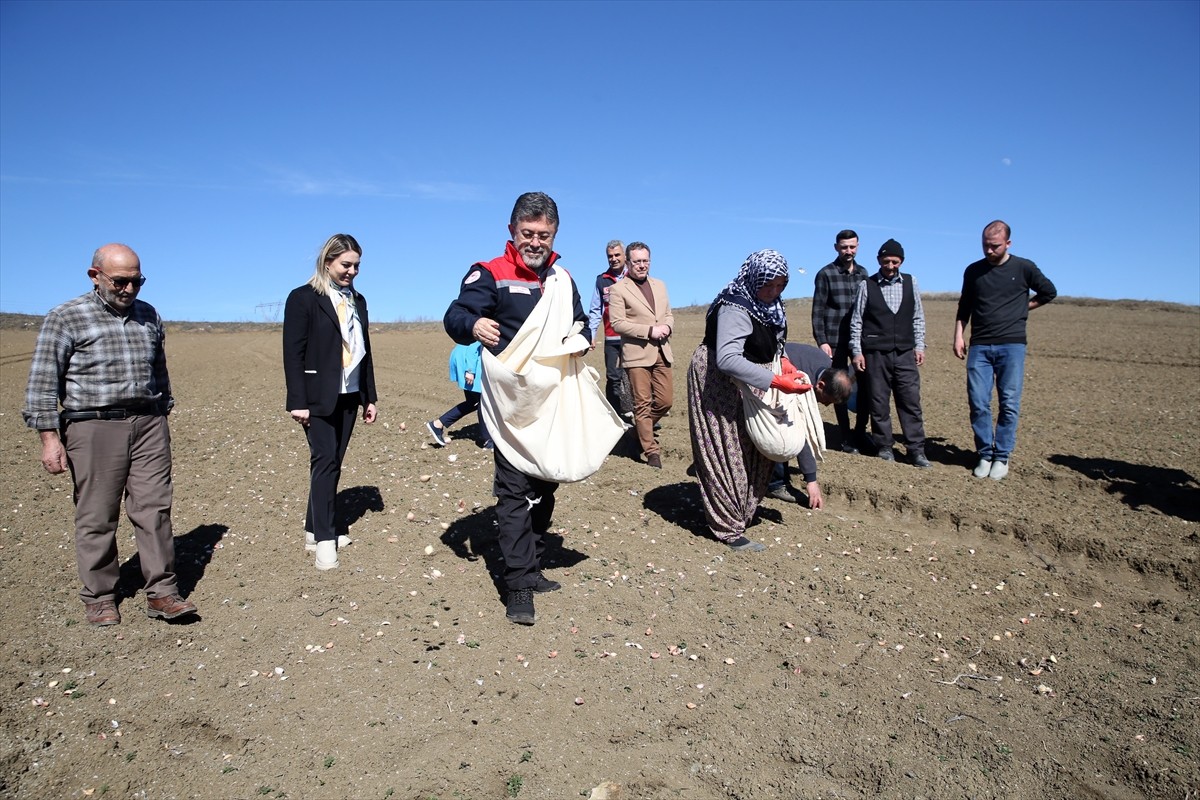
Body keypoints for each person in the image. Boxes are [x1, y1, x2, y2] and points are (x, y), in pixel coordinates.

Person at [23, 243, 198, 626]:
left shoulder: (148, 314)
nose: (130, 289)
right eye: (121, 281)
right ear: (95, 276)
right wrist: (49, 438)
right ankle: (100, 597)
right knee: (97, 515)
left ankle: (163, 593)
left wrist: (163, 410)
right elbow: (42, 382)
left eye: (137, 281)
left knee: (154, 509)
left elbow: (160, 370)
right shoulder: (66, 317)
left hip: (149, 424)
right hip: (92, 426)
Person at [444, 192, 588, 625]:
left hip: (552, 403)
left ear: (555, 235)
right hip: (509, 406)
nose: (536, 241)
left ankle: (533, 560)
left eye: (544, 234)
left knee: (546, 486)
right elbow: (455, 315)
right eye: (528, 233)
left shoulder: (562, 279)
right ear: (512, 231)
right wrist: (473, 324)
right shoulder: (489, 273)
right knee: (512, 493)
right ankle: (519, 584)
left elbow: (579, 320)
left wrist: (583, 336)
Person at [687, 249, 811, 553]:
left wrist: (786, 364)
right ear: (754, 278)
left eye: (781, 285)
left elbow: (775, 343)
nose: (773, 292)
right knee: (725, 452)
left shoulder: (772, 304)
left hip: (755, 378)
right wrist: (776, 381)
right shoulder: (735, 306)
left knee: (754, 448)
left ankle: (742, 510)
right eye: (768, 285)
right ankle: (728, 527)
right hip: (718, 382)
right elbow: (728, 358)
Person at [283, 233, 378, 571]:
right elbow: (292, 353)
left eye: (356, 266)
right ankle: (325, 539)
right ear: (327, 263)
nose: (352, 271)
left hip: (349, 394)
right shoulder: (303, 298)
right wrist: (298, 401)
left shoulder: (358, 301)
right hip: (316, 396)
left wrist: (369, 396)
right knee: (324, 460)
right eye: (345, 264)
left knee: (333, 461)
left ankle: (313, 529)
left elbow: (364, 350)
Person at [953, 220, 1057, 480]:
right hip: (980, 345)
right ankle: (985, 453)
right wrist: (958, 335)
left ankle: (1002, 456)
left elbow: (1049, 292)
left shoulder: (1024, 268)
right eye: (985, 245)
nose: (989, 251)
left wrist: (1022, 308)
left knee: (1009, 403)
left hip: (1011, 345)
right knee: (978, 402)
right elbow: (964, 306)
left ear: (1008, 243)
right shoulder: (973, 271)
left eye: (995, 246)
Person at [849, 239, 930, 468]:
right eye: (886, 261)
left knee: (910, 402)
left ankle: (916, 450)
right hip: (875, 354)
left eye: (895, 262)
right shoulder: (867, 285)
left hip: (905, 352)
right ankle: (884, 446)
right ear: (879, 261)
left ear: (901, 261)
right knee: (878, 402)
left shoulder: (911, 283)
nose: (891, 266)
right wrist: (857, 352)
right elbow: (857, 321)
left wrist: (920, 345)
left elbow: (918, 317)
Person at [607, 242, 674, 469]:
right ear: (628, 262)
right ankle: (651, 450)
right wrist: (649, 331)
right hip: (637, 354)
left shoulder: (660, 285)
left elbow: (668, 314)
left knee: (665, 401)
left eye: (645, 261)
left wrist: (668, 326)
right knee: (642, 404)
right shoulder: (619, 289)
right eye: (637, 261)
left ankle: (637, 433)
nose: (642, 265)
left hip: (662, 350)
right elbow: (617, 323)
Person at [764, 342, 854, 505]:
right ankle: (775, 484)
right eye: (827, 400)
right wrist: (811, 480)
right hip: (766, 373)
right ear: (820, 385)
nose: (826, 405)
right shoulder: (801, 381)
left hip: (777, 366)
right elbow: (801, 430)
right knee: (780, 428)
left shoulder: (827, 368)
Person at [812, 229, 870, 453]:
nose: (848, 251)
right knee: (839, 387)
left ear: (858, 247)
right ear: (836, 247)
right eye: (844, 247)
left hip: (859, 342)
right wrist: (822, 340)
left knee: (864, 386)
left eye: (852, 247)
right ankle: (845, 436)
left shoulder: (864, 274)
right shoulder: (825, 274)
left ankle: (860, 432)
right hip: (834, 341)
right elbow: (818, 310)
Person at [587, 240, 630, 416]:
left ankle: (643, 415)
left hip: (633, 337)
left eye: (617, 255)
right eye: (610, 256)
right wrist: (591, 334)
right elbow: (595, 310)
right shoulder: (602, 281)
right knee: (613, 378)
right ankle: (614, 415)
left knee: (637, 376)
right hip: (612, 339)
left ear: (625, 256)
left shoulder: (635, 276)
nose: (613, 259)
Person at [426, 342, 492, 449]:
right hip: (469, 359)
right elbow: (473, 345)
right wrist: (470, 370)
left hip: (464, 356)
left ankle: (437, 424)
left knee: (472, 402)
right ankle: (488, 440)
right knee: (482, 401)